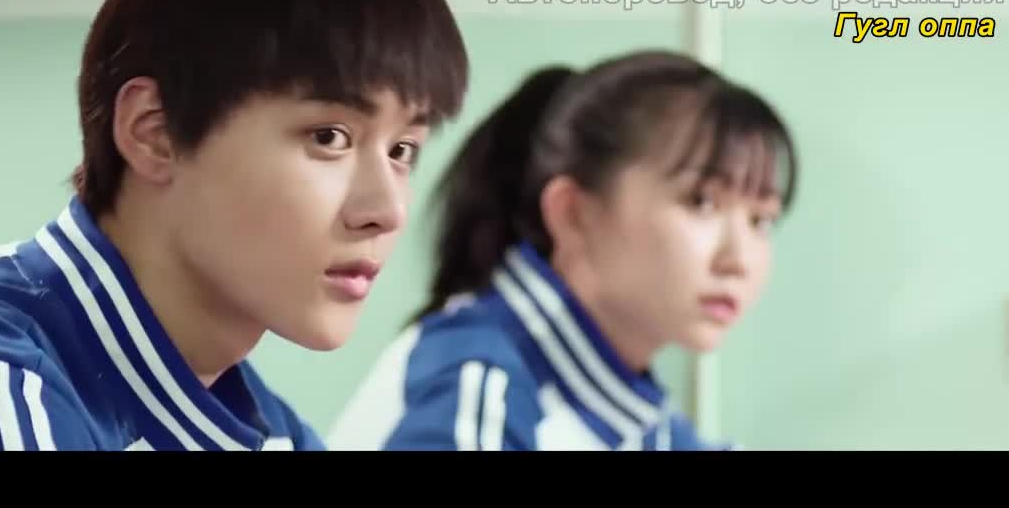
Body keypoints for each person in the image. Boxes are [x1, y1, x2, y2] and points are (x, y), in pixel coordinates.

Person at [0, 0, 468, 451]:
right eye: (329, 137)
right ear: (155, 132)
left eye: (402, 149)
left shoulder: (260, 424)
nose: (388, 210)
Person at [326, 51, 797, 451]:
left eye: (761, 220)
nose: (739, 260)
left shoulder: (638, 416)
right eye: (701, 202)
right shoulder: (480, 378)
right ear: (573, 213)